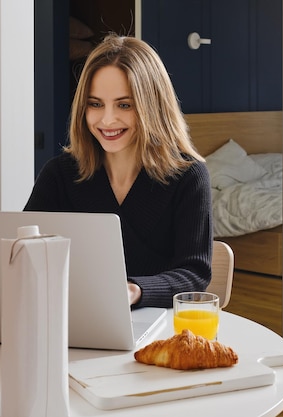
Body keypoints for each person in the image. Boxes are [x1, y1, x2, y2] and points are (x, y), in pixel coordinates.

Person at [24, 34, 212, 308]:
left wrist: (134, 291)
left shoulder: (189, 176)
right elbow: (24, 252)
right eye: (95, 104)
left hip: (157, 328)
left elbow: (195, 274)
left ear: (152, 107)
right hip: (74, 321)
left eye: (124, 105)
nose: (107, 119)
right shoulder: (59, 174)